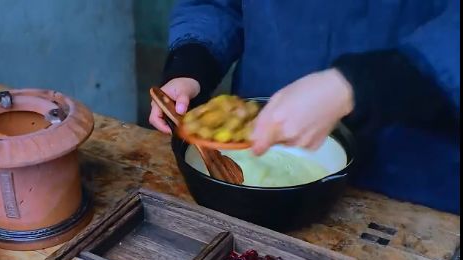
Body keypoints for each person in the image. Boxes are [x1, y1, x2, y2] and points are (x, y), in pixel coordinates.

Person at [149, 0, 460, 215]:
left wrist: (361, 84)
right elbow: (215, 3)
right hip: (256, 148)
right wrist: (191, 64)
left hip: (411, 175)